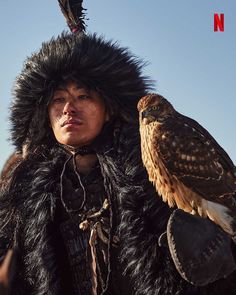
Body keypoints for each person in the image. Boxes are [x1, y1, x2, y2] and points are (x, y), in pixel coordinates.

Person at [0, 18, 236, 295]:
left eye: (83, 96)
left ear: (109, 109)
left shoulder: (152, 168)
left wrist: (215, 263)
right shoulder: (22, 184)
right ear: (45, 114)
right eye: (58, 99)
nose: (68, 109)